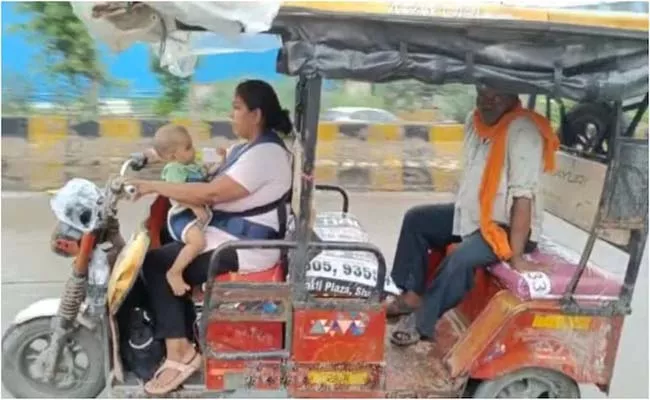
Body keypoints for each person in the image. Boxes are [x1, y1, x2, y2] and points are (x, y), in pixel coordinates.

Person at [126, 79, 293, 395]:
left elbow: (213, 192)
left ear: (255, 114)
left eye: (236, 107)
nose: (231, 115)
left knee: (158, 264)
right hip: (228, 234)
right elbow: (191, 156)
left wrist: (153, 185)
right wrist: (150, 155)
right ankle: (182, 330)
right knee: (160, 243)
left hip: (247, 246)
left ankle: (181, 353)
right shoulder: (247, 147)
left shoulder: (266, 154)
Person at [386, 85, 559, 347]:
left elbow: (523, 197)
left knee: (460, 258)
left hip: (507, 226)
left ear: (513, 96)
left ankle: (422, 322)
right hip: (474, 217)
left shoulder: (523, 130)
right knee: (417, 220)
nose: (487, 102)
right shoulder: (474, 121)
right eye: (482, 94)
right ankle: (412, 294)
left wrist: (517, 257)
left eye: (496, 96)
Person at [151, 124, 214, 296]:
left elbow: (206, 177)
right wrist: (194, 206)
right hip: (182, 216)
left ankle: (194, 287)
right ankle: (175, 272)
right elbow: (177, 193)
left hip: (196, 215)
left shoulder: (192, 166)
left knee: (204, 247)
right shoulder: (174, 169)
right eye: (188, 148)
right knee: (198, 243)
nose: (193, 151)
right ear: (173, 155)